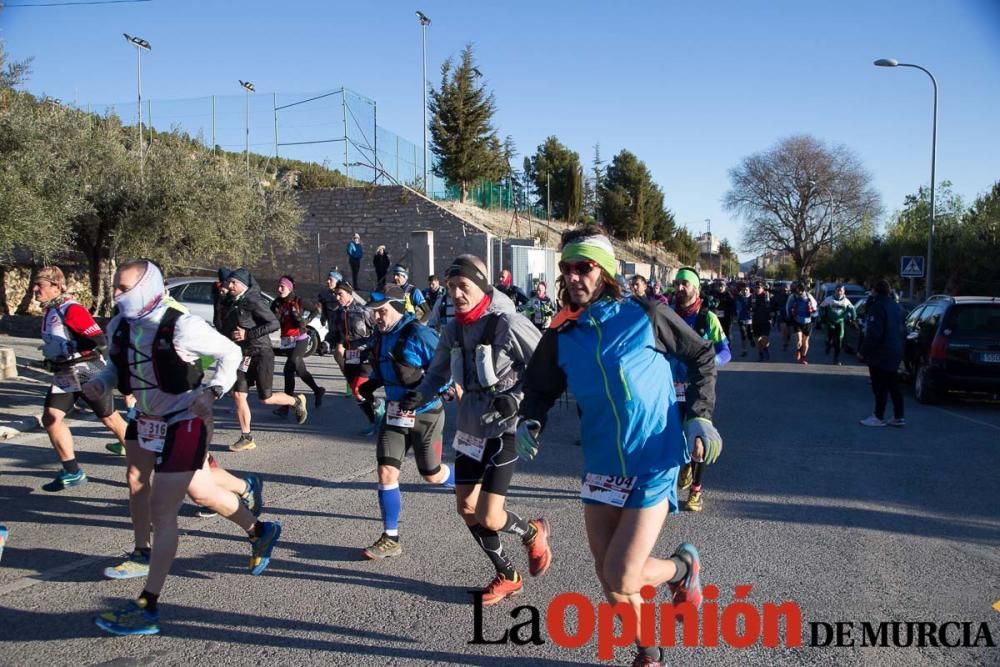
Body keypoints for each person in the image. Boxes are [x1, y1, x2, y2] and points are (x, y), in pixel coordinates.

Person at [516, 227, 721, 667]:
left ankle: (683, 567)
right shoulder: (562, 333)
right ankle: (649, 652)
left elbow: (702, 355)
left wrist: (700, 414)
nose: (573, 276)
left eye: (583, 267)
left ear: (604, 271)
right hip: (603, 465)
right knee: (608, 578)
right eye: (566, 268)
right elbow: (539, 388)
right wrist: (530, 419)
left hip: (654, 458)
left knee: (622, 572)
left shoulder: (644, 314)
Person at [85, 259, 280, 636]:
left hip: (183, 419)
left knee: (163, 509)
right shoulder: (119, 325)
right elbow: (117, 366)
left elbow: (231, 354)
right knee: (192, 489)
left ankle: (148, 605)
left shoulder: (182, 326)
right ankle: (259, 530)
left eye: (123, 288)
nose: (116, 294)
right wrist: (103, 383)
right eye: (116, 287)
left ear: (147, 287)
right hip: (144, 420)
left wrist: (213, 390)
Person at [399, 254, 551, 606]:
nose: (455, 294)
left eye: (462, 286)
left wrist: (518, 399)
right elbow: (437, 373)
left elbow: (546, 368)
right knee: (466, 507)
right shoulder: (453, 329)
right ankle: (508, 574)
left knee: (489, 515)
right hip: (470, 426)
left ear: (481, 286)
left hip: (505, 428)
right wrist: (419, 394)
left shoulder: (508, 323)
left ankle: (533, 532)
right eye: (451, 287)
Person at [357, 286, 456, 559]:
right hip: (395, 414)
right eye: (374, 313)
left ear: (398, 308)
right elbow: (384, 367)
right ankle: (391, 538)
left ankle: (469, 481)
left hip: (426, 414)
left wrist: (426, 392)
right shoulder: (380, 337)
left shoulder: (419, 334)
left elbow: (447, 368)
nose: (377, 317)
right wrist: (372, 384)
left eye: (382, 312)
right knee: (386, 472)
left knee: (432, 475)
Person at [33, 266, 128, 491]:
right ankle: (72, 471)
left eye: (41, 285)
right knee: (51, 418)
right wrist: (52, 359)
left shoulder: (71, 309)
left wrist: (69, 346)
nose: (35, 289)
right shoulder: (50, 311)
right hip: (65, 373)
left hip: (88, 370)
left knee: (110, 419)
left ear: (56, 287)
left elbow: (99, 341)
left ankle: (148, 462)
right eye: (34, 285)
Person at [220, 268, 308, 452]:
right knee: (238, 394)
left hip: (262, 353)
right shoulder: (230, 302)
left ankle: (296, 401)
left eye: (234, 282)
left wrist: (248, 333)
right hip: (243, 355)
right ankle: (246, 437)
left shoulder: (253, 301)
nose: (230, 285)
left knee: (265, 399)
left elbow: (274, 323)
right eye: (229, 282)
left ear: (243, 285)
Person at [671, 267, 731, 513]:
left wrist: (708, 363)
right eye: (677, 283)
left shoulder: (708, 318)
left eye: (685, 283)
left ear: (696, 288)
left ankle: (696, 490)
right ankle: (684, 464)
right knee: (673, 437)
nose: (680, 288)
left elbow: (726, 352)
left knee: (699, 439)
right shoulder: (668, 315)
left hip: (698, 386)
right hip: (671, 386)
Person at [270, 275, 325, 417]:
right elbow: (270, 319)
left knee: (290, 367)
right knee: (299, 371)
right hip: (286, 341)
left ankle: (286, 406)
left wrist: (306, 321)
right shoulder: (276, 303)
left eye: (282, 286)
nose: (279, 289)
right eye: (278, 286)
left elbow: (316, 309)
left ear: (289, 288)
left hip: (300, 338)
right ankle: (317, 390)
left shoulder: (298, 301)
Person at [328, 282, 379, 434]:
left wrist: (368, 346)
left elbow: (378, 332)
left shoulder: (364, 310)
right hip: (350, 357)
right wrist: (326, 343)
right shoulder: (337, 313)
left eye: (340, 294)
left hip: (366, 356)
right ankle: (374, 421)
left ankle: (378, 407)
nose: (337, 298)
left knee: (358, 390)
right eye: (336, 294)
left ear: (350, 294)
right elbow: (333, 335)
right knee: (357, 394)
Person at [858, 280, 904, 427]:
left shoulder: (877, 307)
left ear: (875, 291)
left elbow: (874, 333)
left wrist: (863, 351)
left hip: (881, 352)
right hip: (895, 350)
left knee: (879, 386)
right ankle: (899, 416)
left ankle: (878, 416)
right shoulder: (897, 307)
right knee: (892, 384)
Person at [819, 285, 856, 365]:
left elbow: (852, 309)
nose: (839, 292)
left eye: (841, 291)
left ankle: (836, 358)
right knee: (829, 337)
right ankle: (828, 345)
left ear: (844, 292)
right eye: (838, 290)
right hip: (830, 321)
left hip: (840, 322)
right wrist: (822, 316)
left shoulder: (846, 301)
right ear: (835, 291)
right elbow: (821, 307)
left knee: (839, 340)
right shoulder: (829, 299)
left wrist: (853, 318)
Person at [786, 282, 818, 364]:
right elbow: (788, 306)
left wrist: (814, 315)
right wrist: (789, 316)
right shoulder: (793, 297)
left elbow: (815, 308)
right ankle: (798, 351)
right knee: (799, 341)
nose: (800, 292)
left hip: (808, 322)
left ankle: (803, 358)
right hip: (797, 321)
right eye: (799, 290)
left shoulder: (809, 297)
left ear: (805, 290)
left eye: (802, 290)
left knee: (805, 342)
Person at [749, 281, 773, 361]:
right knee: (757, 340)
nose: (757, 289)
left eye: (759, 287)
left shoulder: (768, 296)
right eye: (756, 287)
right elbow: (747, 307)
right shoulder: (752, 297)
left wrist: (773, 314)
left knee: (764, 338)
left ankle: (765, 349)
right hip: (755, 321)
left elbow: (774, 306)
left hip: (766, 321)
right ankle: (761, 354)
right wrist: (749, 310)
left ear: (762, 288)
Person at [735, 284, 753, 357]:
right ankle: (744, 350)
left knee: (749, 334)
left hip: (750, 319)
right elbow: (737, 308)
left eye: (746, 290)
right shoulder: (739, 298)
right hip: (741, 318)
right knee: (743, 334)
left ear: (749, 290)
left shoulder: (752, 297)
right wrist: (736, 316)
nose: (745, 291)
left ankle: (751, 339)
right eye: (743, 290)